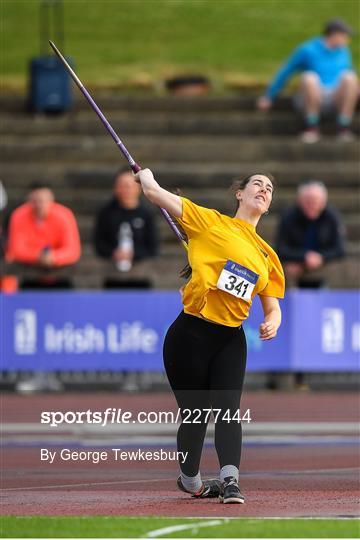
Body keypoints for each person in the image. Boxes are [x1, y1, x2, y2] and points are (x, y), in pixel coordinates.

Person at [135, 168, 285, 504]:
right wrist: (145, 175)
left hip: (230, 339)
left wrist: (273, 321)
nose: (264, 190)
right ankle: (190, 481)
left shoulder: (268, 256)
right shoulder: (209, 222)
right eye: (257, 184)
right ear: (239, 194)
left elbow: (272, 306)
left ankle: (231, 481)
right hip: (190, 334)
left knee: (229, 411)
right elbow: (155, 194)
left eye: (270, 189)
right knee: (195, 415)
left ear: (269, 204)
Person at [257, 19, 358, 143]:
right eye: (345, 36)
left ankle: (343, 127)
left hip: (334, 98)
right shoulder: (307, 50)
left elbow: (352, 77)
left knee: (350, 77)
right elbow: (286, 71)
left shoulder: (343, 51)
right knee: (309, 77)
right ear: (334, 35)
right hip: (312, 96)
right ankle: (312, 127)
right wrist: (269, 96)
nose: (347, 39)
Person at [5, 182, 81, 288]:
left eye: (43, 201)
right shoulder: (18, 216)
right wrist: (38, 256)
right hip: (29, 275)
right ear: (29, 201)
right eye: (35, 201)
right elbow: (16, 249)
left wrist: (54, 257)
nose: (39, 205)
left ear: (51, 200)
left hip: (61, 275)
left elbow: (73, 250)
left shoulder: (64, 215)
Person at [94, 168, 159, 288]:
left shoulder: (146, 214)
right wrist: (113, 253)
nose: (125, 190)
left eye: (128, 186)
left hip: (140, 277)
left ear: (138, 188)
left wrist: (134, 254)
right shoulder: (106, 213)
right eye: (121, 185)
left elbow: (153, 247)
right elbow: (99, 244)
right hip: (112, 277)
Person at [276, 181, 346, 289]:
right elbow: (281, 249)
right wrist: (304, 257)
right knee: (287, 269)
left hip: (323, 263)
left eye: (316, 201)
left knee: (338, 269)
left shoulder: (332, 217)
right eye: (308, 201)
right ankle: (292, 301)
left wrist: (321, 257)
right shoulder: (288, 217)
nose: (312, 205)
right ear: (300, 201)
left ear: (323, 202)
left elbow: (340, 248)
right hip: (296, 263)